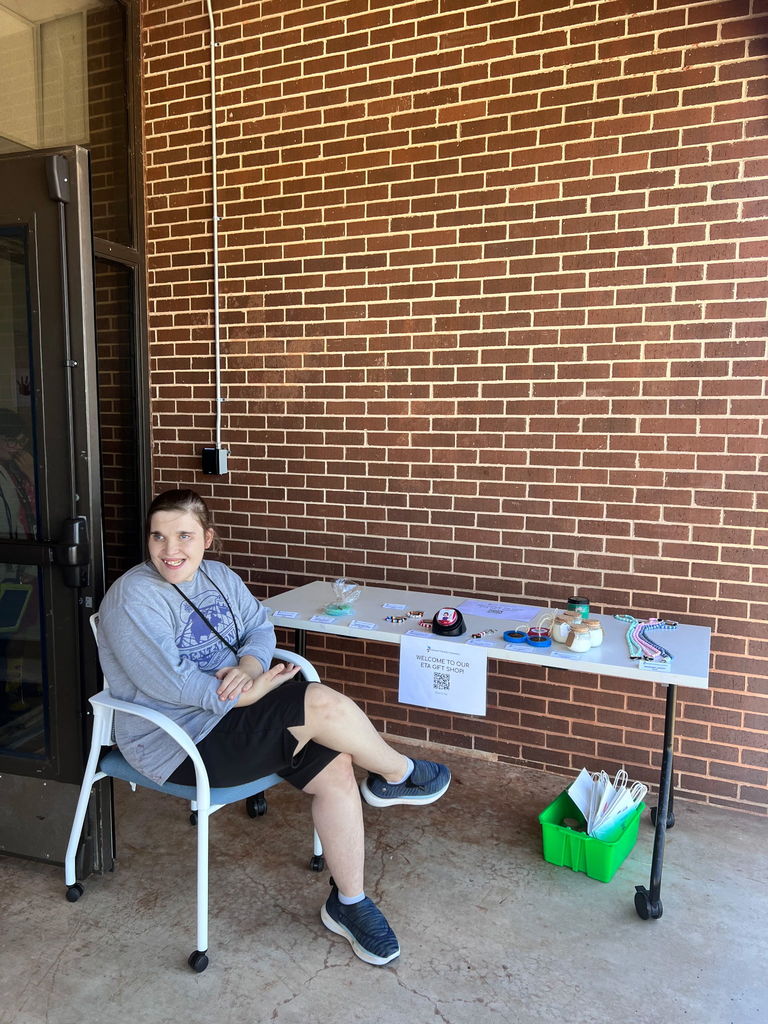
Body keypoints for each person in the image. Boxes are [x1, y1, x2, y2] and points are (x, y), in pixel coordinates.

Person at [96, 488, 450, 966]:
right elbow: (174, 684)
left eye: (184, 536)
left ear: (208, 539)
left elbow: (260, 627)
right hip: (179, 739)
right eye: (158, 537)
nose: (169, 550)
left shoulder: (218, 576)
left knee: (338, 767)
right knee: (318, 705)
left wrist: (248, 665)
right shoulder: (134, 596)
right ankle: (397, 774)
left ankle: (348, 904)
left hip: (231, 713)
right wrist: (254, 691)